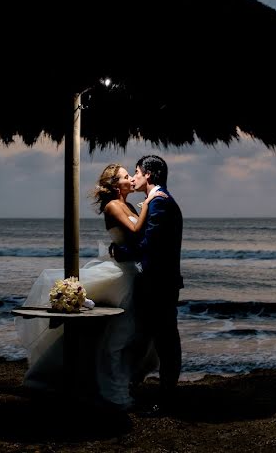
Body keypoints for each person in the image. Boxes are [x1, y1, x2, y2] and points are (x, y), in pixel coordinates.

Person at [15, 163, 163, 409]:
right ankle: (114, 393)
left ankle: (113, 380)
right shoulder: (113, 206)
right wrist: (149, 204)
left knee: (125, 333)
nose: (131, 179)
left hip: (130, 271)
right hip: (121, 277)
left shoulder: (124, 204)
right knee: (120, 335)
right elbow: (137, 232)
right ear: (117, 185)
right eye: (127, 176)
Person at [110, 154, 184, 414]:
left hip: (159, 283)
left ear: (148, 175)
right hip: (157, 281)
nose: (134, 176)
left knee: (165, 340)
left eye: (137, 171)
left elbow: (149, 246)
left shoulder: (159, 203)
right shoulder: (156, 201)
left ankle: (165, 399)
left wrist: (122, 253)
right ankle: (145, 389)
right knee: (151, 337)